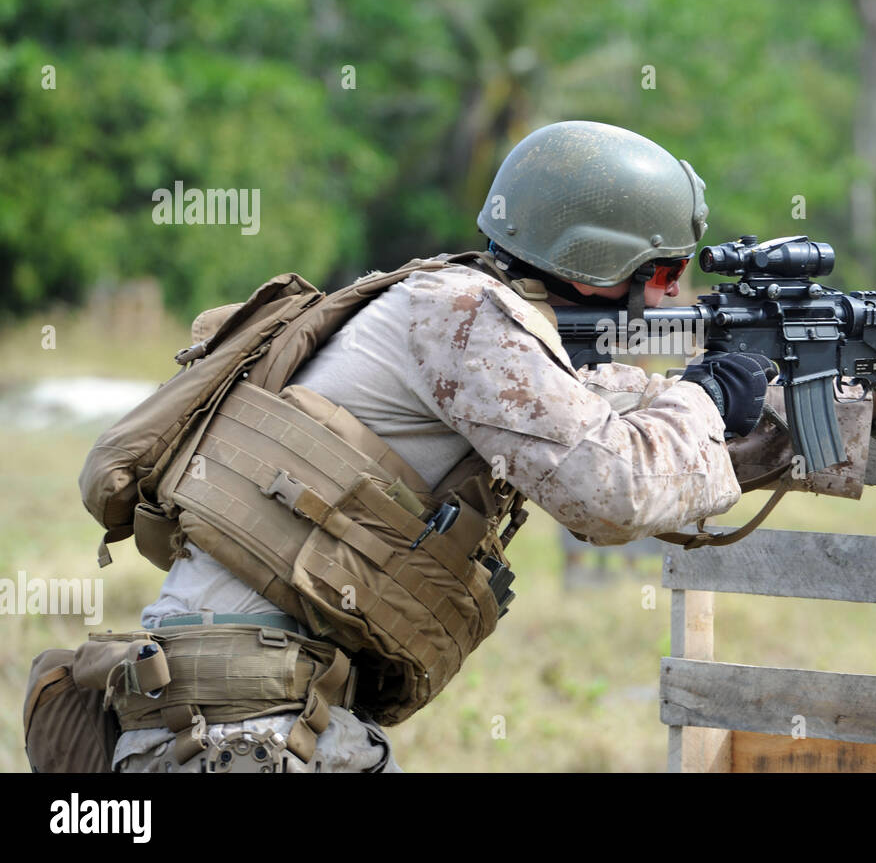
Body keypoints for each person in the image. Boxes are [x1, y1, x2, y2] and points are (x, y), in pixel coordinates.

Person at [110, 120, 781, 772]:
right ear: (597, 261)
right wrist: (707, 398)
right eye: (666, 274)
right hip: (239, 725)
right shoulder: (464, 315)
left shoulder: (462, 314)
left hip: (261, 710)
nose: (671, 299)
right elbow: (612, 492)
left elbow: (605, 405)